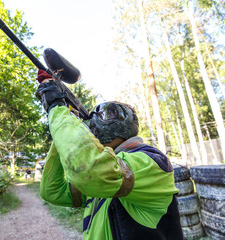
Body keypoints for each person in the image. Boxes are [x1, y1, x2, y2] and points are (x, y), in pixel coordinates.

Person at [35, 70, 183, 240]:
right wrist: (65, 125)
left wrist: (57, 109)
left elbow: (91, 170)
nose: (96, 119)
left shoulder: (151, 161)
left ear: (127, 122)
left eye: (108, 113)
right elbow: (52, 191)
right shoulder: (104, 179)